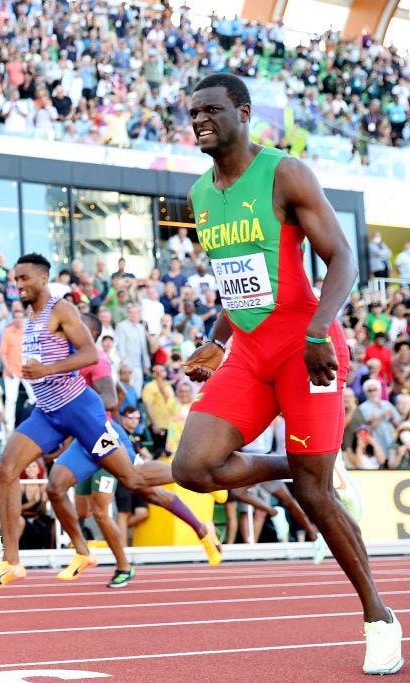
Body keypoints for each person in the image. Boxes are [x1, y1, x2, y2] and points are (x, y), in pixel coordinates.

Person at [172, 73, 402, 676]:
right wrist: (214, 342)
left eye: (212, 110)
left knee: (315, 495)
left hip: (307, 348)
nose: (199, 120)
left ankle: (379, 619)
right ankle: (312, 464)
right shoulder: (199, 194)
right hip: (250, 352)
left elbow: (343, 256)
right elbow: (241, 280)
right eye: (192, 112)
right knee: (192, 468)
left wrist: (317, 331)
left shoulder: (285, 173)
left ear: (244, 113)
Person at [0, 254, 206, 591]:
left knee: (132, 477)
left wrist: (46, 370)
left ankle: (193, 470)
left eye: (24, 278)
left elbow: (90, 355)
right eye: (16, 279)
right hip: (48, 411)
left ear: (42, 278)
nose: (19, 284)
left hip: (80, 410)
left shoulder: (61, 309)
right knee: (5, 468)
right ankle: (11, 561)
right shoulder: (30, 315)